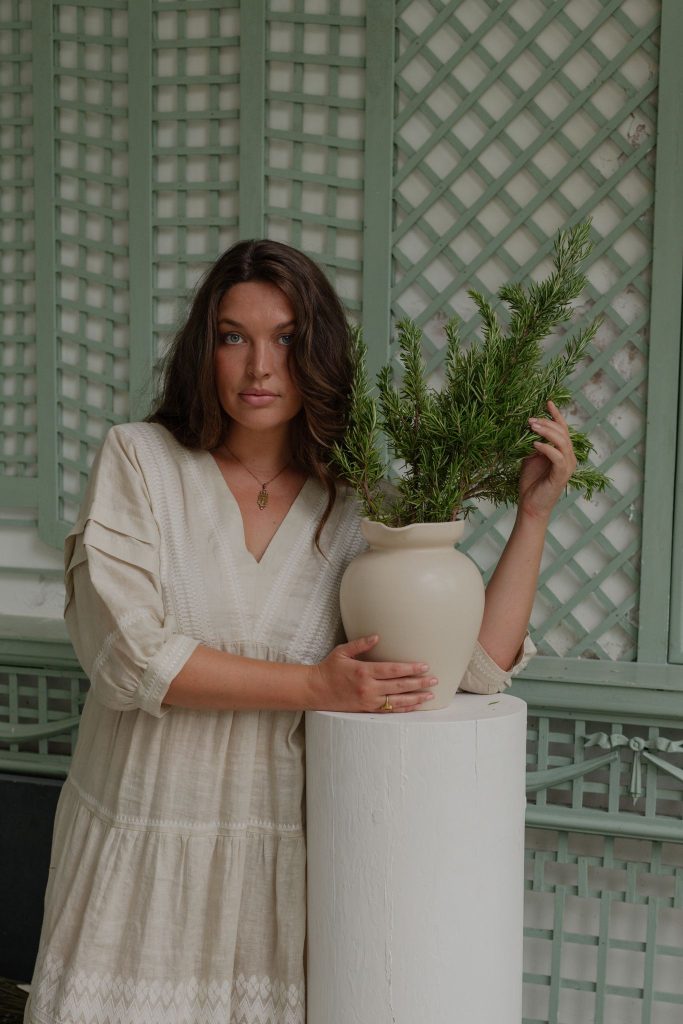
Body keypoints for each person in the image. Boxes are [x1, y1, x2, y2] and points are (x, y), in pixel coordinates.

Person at [25, 239, 576, 1024]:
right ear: (204, 348)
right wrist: (315, 685)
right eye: (233, 337)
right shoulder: (140, 462)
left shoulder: (359, 502)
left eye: (285, 338)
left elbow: (469, 670)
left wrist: (533, 516)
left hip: (275, 862)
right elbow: (130, 657)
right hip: (141, 837)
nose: (259, 367)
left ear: (318, 351)